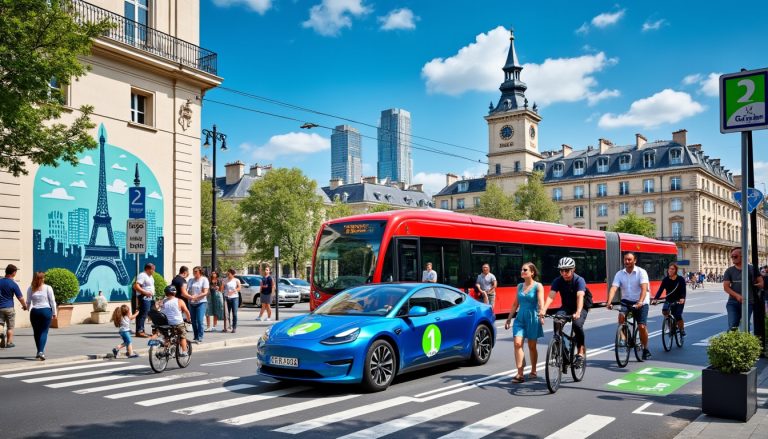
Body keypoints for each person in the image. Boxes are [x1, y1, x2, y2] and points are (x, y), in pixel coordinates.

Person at [541, 257, 592, 367]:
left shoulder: (579, 280)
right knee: (557, 321)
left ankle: (580, 351)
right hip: (567, 307)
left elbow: (580, 296)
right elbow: (551, 296)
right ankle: (562, 351)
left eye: (567, 270)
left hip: (581, 306)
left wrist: (578, 312)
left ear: (573, 269)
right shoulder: (558, 280)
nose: (564, 273)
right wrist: (544, 309)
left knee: (577, 325)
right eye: (561, 270)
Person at [607, 252, 652, 360]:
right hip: (626, 301)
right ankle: (625, 338)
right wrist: (609, 302)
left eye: (629, 260)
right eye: (625, 259)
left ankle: (645, 349)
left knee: (641, 326)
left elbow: (644, 289)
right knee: (621, 316)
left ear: (634, 261)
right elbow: (614, 288)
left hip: (641, 301)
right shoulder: (619, 274)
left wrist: (640, 302)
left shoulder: (641, 272)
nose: (627, 262)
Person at [504, 262, 544, 383]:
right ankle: (520, 373)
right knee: (517, 344)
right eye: (522, 269)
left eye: (525, 270)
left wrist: (542, 314)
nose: (522, 271)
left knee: (532, 346)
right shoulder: (519, 286)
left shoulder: (538, 286)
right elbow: (515, 304)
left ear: (532, 272)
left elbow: (541, 302)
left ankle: (533, 370)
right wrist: (509, 318)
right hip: (520, 318)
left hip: (532, 318)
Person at [723, 247, 763, 330]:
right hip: (733, 302)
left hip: (748, 302)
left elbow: (761, 283)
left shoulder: (752, 269)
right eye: (732, 257)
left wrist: (757, 285)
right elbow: (726, 287)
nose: (733, 258)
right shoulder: (729, 271)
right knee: (733, 325)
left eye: (735, 256)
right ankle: (732, 342)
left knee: (745, 325)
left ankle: (745, 342)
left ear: (743, 256)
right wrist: (737, 296)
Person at [652, 262, 687, 337]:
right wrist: (655, 299)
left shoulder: (680, 279)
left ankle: (682, 329)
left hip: (679, 300)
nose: (670, 270)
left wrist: (682, 298)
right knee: (665, 311)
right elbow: (660, 290)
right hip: (669, 299)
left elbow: (683, 290)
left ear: (676, 270)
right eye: (669, 269)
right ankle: (671, 327)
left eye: (672, 269)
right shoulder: (665, 280)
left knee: (677, 315)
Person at [26, 272, 55, 360]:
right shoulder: (48, 288)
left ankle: (39, 351)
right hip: (46, 311)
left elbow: (28, 302)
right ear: (43, 278)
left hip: (34, 312)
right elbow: (52, 301)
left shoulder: (30, 288)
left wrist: (26, 308)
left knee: (36, 332)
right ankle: (41, 352)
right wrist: (54, 313)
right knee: (44, 332)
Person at [0, 264, 28, 348]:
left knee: (0, 323)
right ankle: (9, 342)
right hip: (9, 307)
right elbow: (20, 297)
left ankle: (0, 334)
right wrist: (24, 306)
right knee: (10, 326)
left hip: (0, 307)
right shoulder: (13, 284)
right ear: (14, 273)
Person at [161, 285, 191, 357]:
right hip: (177, 323)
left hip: (167, 323)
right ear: (175, 293)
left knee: (167, 337)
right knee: (182, 336)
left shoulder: (163, 301)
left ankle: (165, 350)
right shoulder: (179, 301)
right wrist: (189, 319)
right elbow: (186, 311)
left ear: (166, 293)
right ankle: (184, 351)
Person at [187, 266, 209, 343]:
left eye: (196, 271)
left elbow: (205, 292)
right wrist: (189, 296)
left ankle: (200, 337)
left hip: (201, 302)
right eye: (193, 271)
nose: (194, 273)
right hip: (191, 302)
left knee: (199, 320)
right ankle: (195, 336)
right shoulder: (190, 280)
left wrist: (196, 297)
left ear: (200, 272)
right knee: (193, 320)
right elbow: (187, 290)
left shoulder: (204, 279)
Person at [133, 263, 155, 337]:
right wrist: (144, 292)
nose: (154, 271)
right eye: (153, 269)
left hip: (150, 297)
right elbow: (136, 285)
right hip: (144, 297)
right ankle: (140, 331)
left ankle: (145, 330)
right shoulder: (142, 275)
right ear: (148, 269)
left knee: (152, 313)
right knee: (143, 314)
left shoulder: (150, 276)